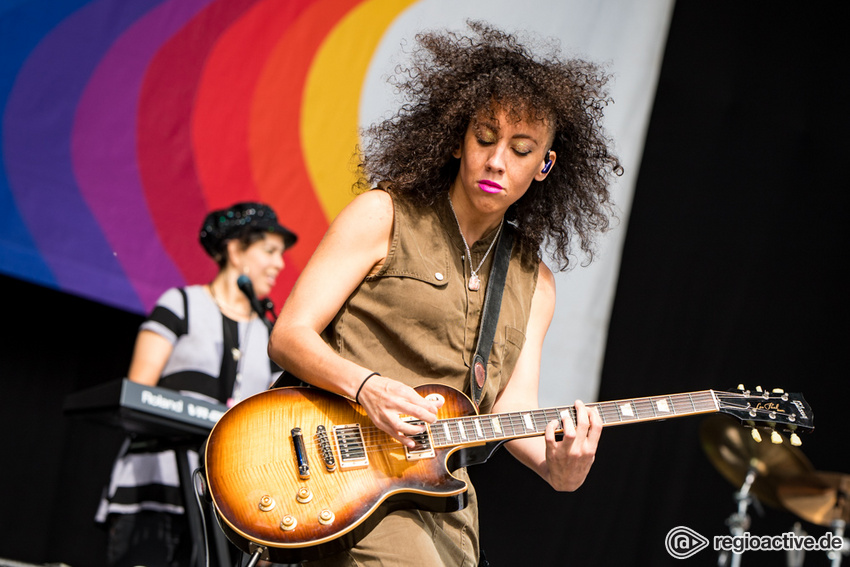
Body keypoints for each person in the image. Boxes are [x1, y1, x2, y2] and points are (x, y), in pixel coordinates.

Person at [268, 21, 620, 566]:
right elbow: (289, 336)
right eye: (485, 137)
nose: (497, 160)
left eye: (521, 148)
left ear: (544, 165)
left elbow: (512, 408)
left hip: (444, 503)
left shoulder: (535, 282)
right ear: (459, 139)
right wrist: (367, 387)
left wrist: (560, 468)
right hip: (338, 473)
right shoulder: (383, 215)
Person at [97, 202, 297, 567]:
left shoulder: (272, 335)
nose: (279, 264)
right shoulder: (181, 304)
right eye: (269, 251)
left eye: (281, 254)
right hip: (155, 488)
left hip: (227, 503)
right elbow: (137, 394)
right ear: (235, 250)